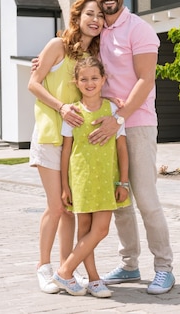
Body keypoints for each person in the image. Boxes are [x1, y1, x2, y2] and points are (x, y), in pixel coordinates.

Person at [89, 0, 175, 295]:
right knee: (119, 199)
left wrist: (119, 118)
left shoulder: (139, 30)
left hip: (135, 124)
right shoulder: (97, 31)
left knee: (146, 199)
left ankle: (165, 268)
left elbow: (145, 80)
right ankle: (129, 264)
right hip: (106, 126)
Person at [28, 0, 104, 294]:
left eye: (100, 15)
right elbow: (33, 83)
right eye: (90, 14)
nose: (95, 19)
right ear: (77, 17)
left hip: (76, 143)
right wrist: (61, 107)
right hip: (49, 136)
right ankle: (43, 267)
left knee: (70, 207)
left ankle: (64, 270)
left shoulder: (91, 57)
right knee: (56, 207)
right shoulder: (56, 45)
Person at [52, 56, 130, 297]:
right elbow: (66, 151)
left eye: (94, 78)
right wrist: (65, 186)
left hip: (107, 180)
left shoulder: (114, 111)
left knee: (101, 229)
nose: (89, 83)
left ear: (103, 79)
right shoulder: (73, 112)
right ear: (76, 82)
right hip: (81, 179)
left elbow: (122, 149)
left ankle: (65, 271)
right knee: (85, 230)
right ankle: (94, 280)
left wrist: (123, 181)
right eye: (83, 79)